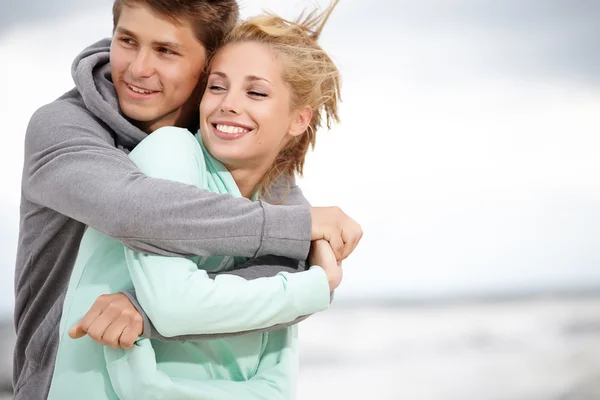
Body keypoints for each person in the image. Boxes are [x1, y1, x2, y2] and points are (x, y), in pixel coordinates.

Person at [13, 0, 362, 398]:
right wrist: (303, 230)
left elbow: (290, 272)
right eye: (127, 41)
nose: (139, 68)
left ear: (207, 62)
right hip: (59, 379)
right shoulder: (63, 128)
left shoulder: (223, 133)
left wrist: (144, 312)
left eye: (166, 50)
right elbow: (138, 212)